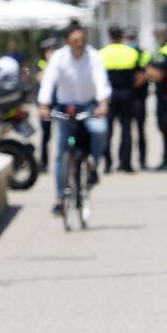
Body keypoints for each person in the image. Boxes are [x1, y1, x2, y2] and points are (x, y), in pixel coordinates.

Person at [37, 25, 111, 216]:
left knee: (100, 129)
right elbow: (49, 81)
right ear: (67, 42)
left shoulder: (93, 56)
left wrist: (103, 103)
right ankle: (60, 199)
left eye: (82, 40)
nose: (80, 44)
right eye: (75, 41)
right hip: (65, 107)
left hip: (89, 105)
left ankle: (94, 164)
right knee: (62, 152)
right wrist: (44, 105)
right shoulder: (59, 58)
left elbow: (100, 80)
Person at [100, 25, 144, 173]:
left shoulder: (102, 53)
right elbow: (139, 77)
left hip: (109, 95)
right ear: (122, 36)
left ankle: (107, 163)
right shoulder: (131, 52)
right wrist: (132, 88)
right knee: (126, 130)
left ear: (109, 36)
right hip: (127, 94)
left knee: (108, 130)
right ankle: (126, 163)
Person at [147, 24, 167, 170]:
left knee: (166, 128)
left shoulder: (166, 51)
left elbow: (158, 75)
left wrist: (147, 71)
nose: (153, 35)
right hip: (166, 95)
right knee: (165, 128)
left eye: (155, 32)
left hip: (166, 96)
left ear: (161, 33)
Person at [125, 27, 151, 171]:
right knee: (125, 131)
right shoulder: (122, 53)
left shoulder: (143, 53)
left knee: (140, 130)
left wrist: (130, 84)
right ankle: (125, 162)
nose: (130, 40)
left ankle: (142, 160)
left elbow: (144, 74)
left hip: (139, 97)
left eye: (132, 37)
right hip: (128, 98)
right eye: (128, 37)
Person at [36, 37, 60, 172]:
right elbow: (39, 78)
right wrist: (51, 64)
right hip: (46, 105)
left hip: (60, 103)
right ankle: (44, 163)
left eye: (54, 49)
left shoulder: (62, 63)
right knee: (46, 135)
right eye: (49, 50)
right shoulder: (41, 64)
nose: (51, 52)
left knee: (68, 133)